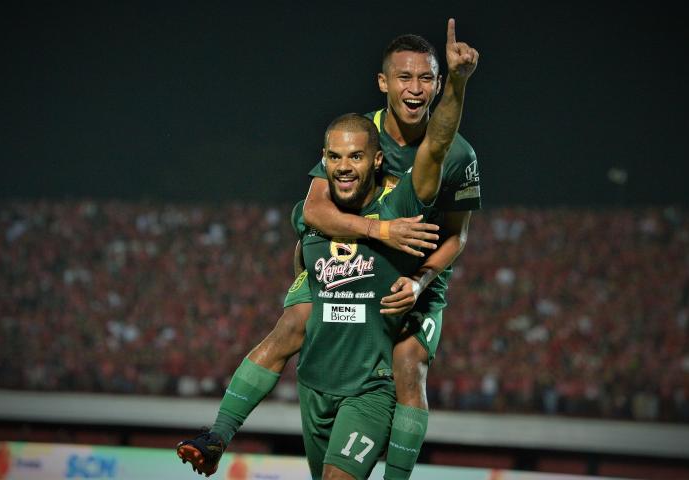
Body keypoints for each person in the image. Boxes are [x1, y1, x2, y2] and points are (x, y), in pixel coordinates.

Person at [177, 18, 480, 479]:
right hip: (356, 254)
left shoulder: (456, 155)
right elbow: (315, 212)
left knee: (407, 362)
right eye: (405, 77)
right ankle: (217, 435)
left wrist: (420, 280)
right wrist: (380, 231)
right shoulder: (354, 137)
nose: (415, 88)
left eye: (426, 78)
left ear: (439, 84)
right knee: (294, 322)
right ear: (384, 83)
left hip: (419, 270)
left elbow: (456, 234)